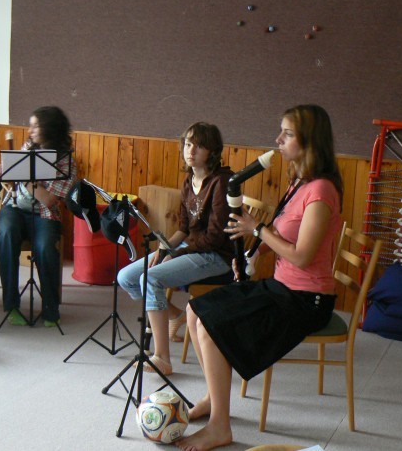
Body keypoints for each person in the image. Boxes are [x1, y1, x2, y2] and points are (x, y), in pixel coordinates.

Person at [176, 104, 343, 451]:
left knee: (210, 326)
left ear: (310, 141)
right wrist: (254, 254)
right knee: (194, 311)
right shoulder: (300, 183)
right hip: (283, 287)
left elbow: (302, 255)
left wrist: (258, 229)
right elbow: (285, 232)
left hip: (306, 301)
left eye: (288, 134)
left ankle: (220, 427)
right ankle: (213, 398)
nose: (278, 139)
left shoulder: (322, 191)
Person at [117, 122, 234, 376]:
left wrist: (175, 253)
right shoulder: (189, 180)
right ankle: (175, 315)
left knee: (151, 279)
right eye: (188, 144)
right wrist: (164, 248)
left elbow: (214, 238)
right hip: (190, 247)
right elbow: (183, 227)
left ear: (212, 151)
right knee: (126, 277)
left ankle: (162, 358)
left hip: (216, 256)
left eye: (199, 146)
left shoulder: (222, 182)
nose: (191, 151)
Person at [0, 106, 76, 327]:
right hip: (14, 207)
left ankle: (51, 308)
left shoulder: (66, 162)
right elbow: (8, 175)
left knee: (45, 247)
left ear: (50, 129)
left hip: (44, 214)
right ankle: (11, 305)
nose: (29, 131)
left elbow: (48, 200)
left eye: (35, 126)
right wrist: (5, 171)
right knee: (6, 235)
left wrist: (25, 178)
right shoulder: (28, 147)